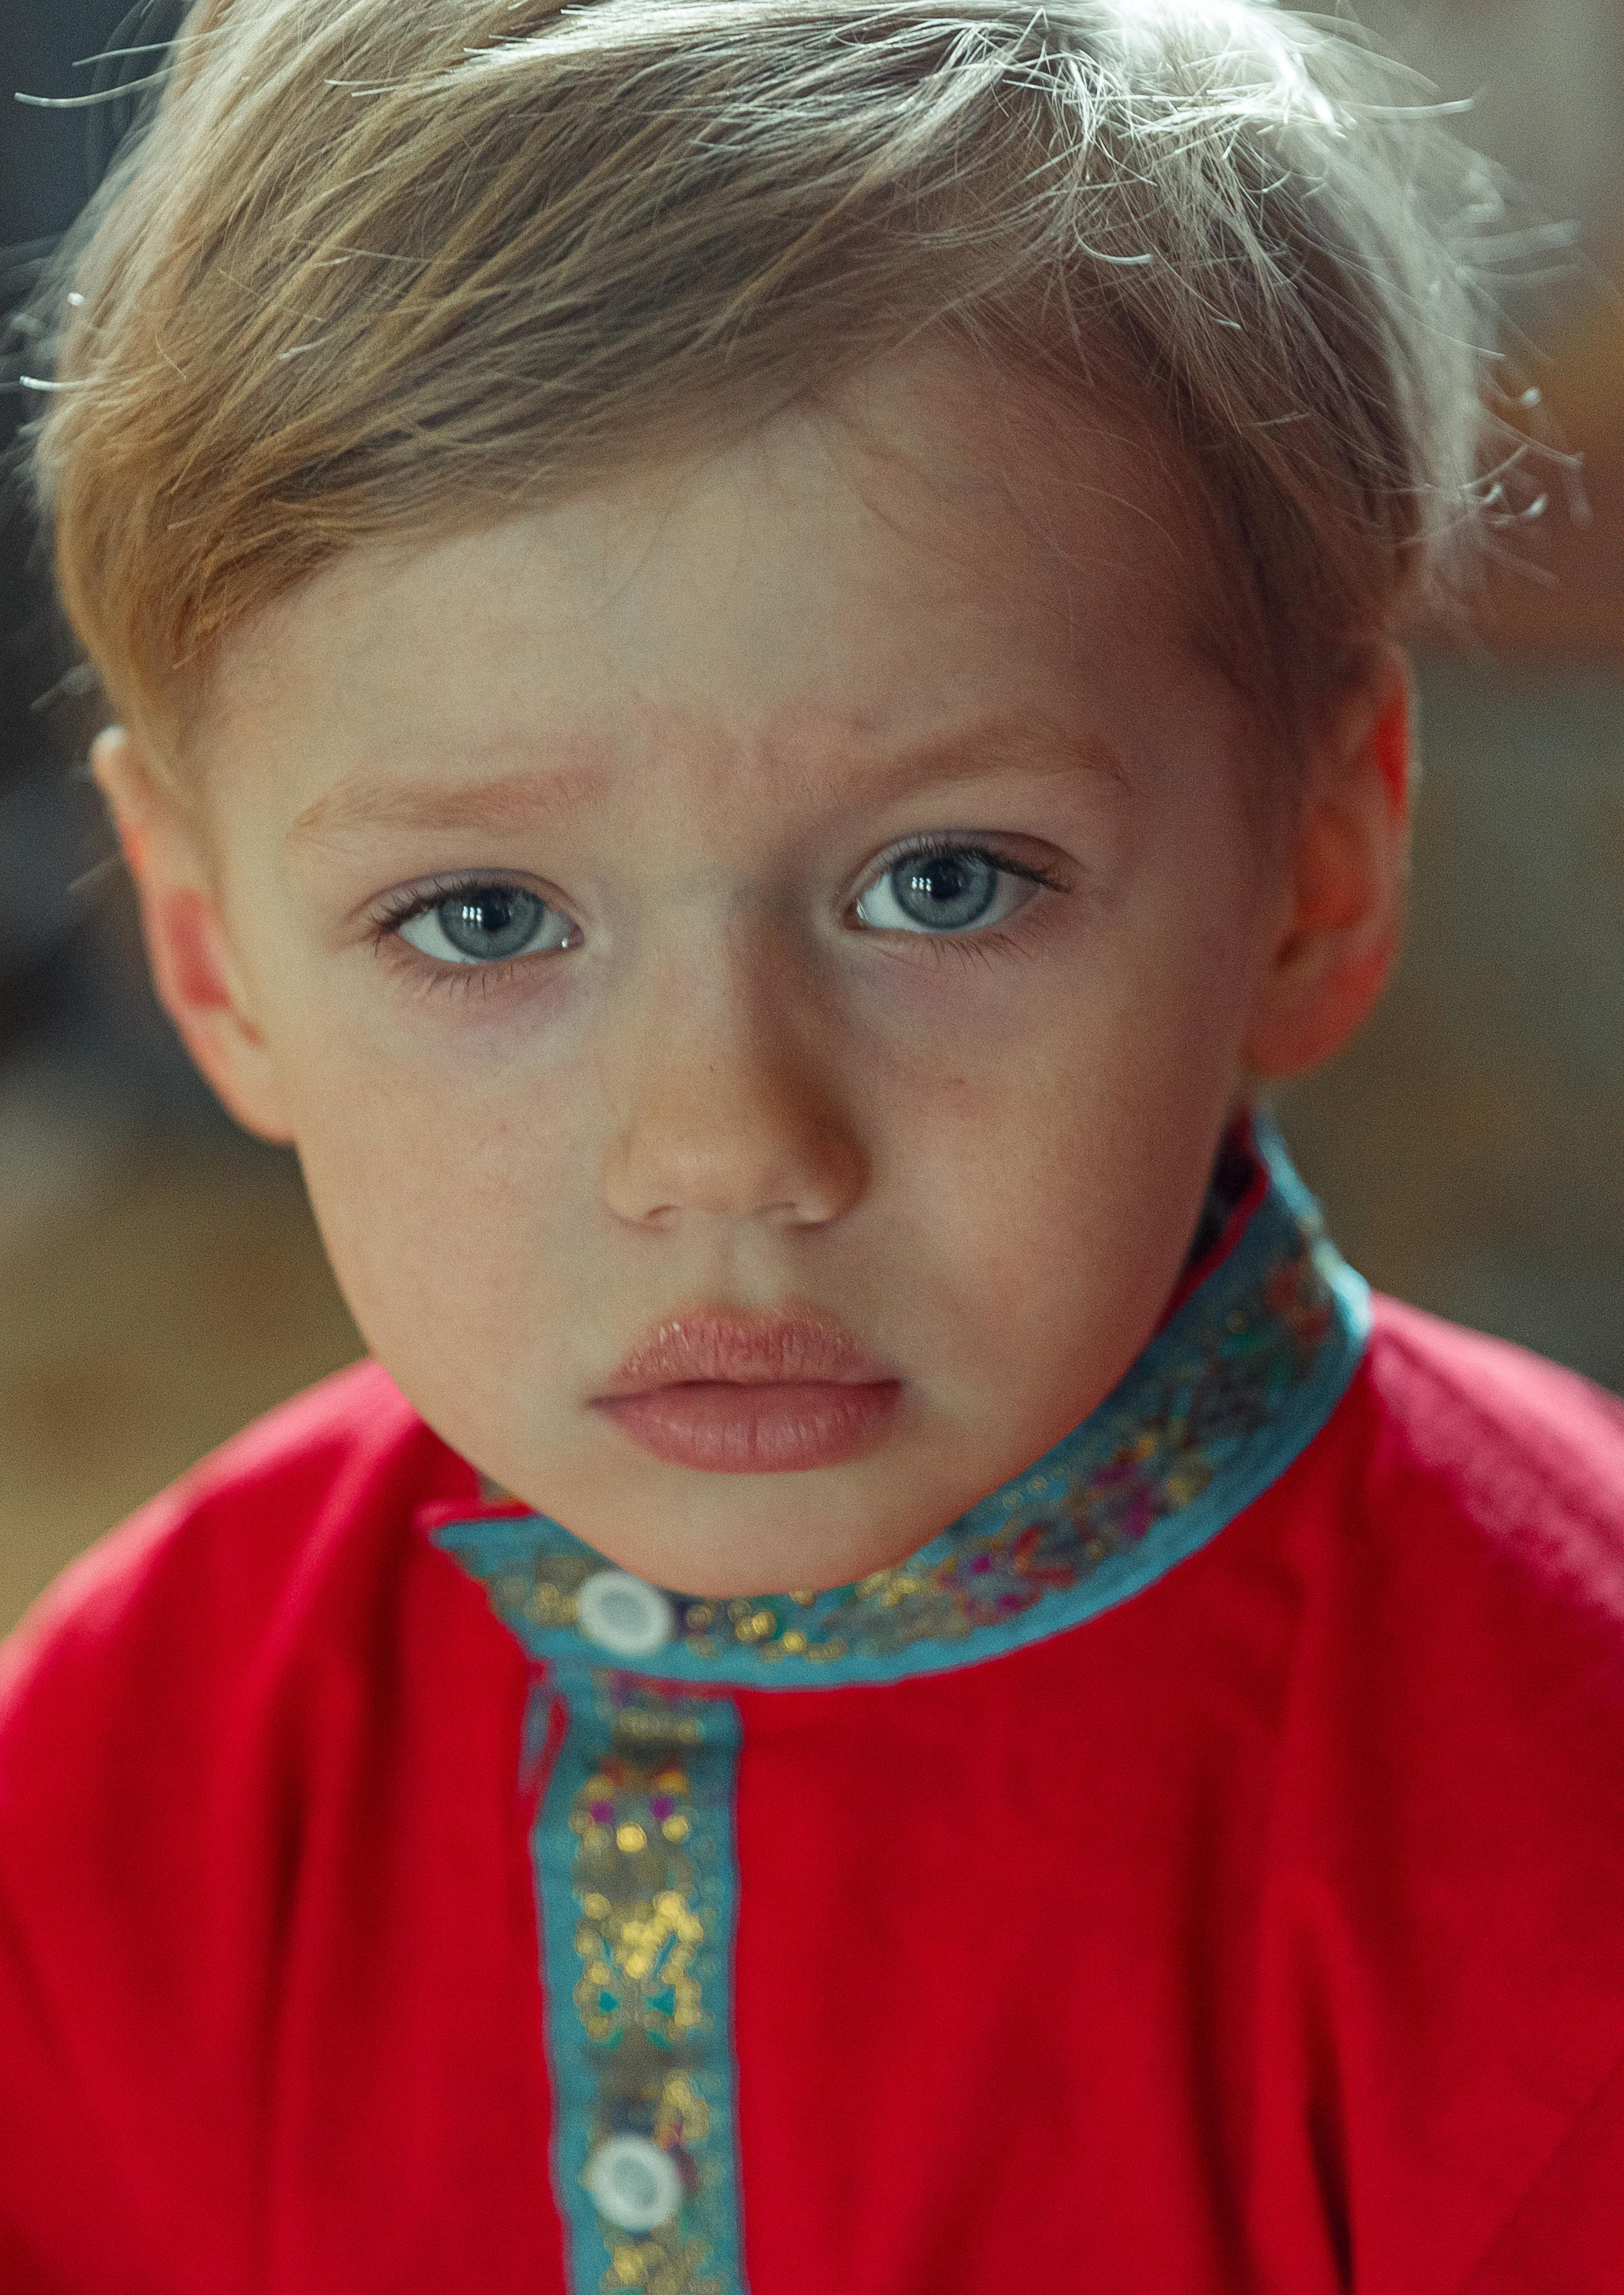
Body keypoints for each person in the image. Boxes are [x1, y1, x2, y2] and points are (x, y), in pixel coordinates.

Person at [3, 1, 1622, 2287]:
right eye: (481, 916)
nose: (726, 1149)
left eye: (943, 882)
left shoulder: (1568, 1839)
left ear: (1319, 869)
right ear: (210, 954)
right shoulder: (135, 1767)